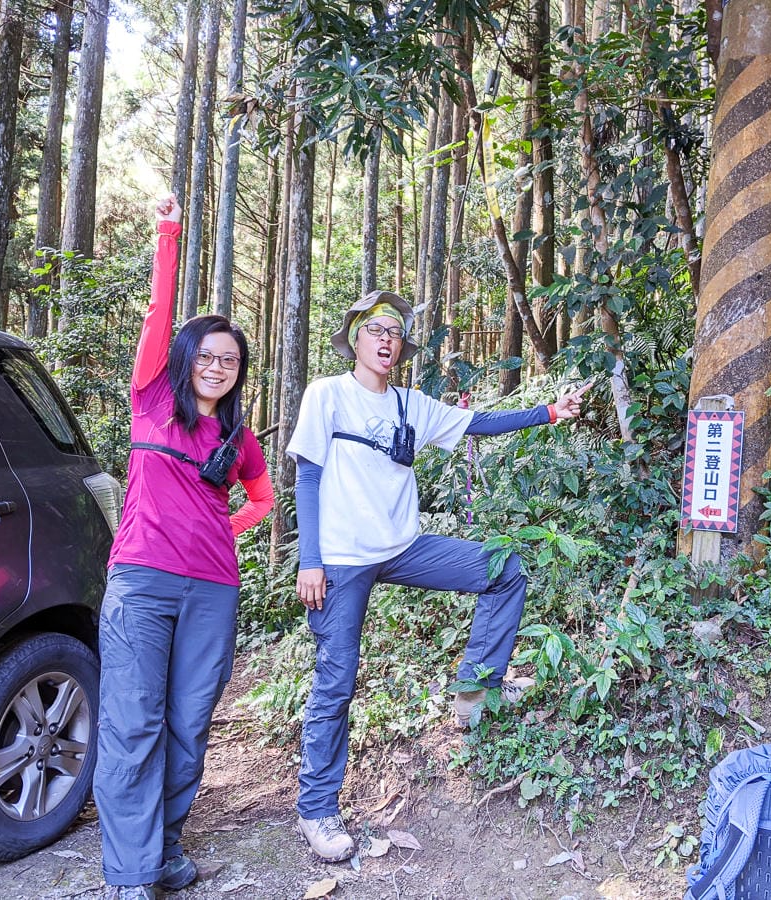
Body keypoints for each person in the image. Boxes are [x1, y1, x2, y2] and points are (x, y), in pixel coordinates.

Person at [287, 290, 590, 862]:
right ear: (355, 337)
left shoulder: (410, 403)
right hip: (341, 558)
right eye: (375, 330)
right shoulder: (327, 395)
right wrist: (311, 558)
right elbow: (307, 478)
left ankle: (476, 689)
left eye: (395, 333)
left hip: (403, 546)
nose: (386, 341)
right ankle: (318, 809)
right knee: (337, 680)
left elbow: (478, 423)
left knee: (504, 569)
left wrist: (550, 412)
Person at [94, 195, 274, 900]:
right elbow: (158, 314)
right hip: (140, 583)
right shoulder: (150, 399)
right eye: (206, 354)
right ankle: (130, 876)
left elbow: (263, 501)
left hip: (213, 591)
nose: (217, 366)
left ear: (239, 370)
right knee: (133, 722)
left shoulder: (239, 439)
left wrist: (217, 533)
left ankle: (164, 848)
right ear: (185, 358)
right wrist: (169, 233)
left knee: (189, 725)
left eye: (229, 359)